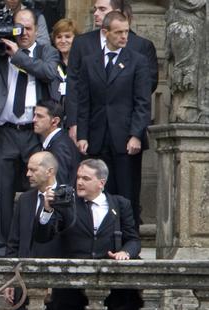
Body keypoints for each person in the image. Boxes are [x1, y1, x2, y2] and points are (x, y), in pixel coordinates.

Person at [36, 158, 140, 310]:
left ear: (101, 182)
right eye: (78, 177)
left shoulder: (119, 205)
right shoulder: (68, 204)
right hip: (69, 287)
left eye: (86, 178)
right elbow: (43, 236)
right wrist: (48, 209)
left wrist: (126, 252)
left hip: (104, 288)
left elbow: (133, 238)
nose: (79, 182)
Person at [0, 8, 59, 258]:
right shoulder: (2, 50)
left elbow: (48, 73)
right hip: (6, 132)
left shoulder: (47, 52)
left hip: (34, 133)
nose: (23, 33)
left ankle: (36, 245)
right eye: (18, 28)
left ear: (37, 30)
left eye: (28, 28)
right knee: (1, 195)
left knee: (41, 188)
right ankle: (1, 250)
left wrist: (19, 57)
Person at [76, 11, 151, 225]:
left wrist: (136, 135)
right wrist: (82, 135)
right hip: (98, 138)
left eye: (126, 32)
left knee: (127, 194)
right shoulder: (90, 62)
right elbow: (84, 102)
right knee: (100, 193)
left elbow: (142, 103)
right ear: (105, 33)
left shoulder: (138, 61)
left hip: (126, 140)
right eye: (118, 32)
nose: (124, 37)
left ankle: (129, 244)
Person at [4, 151, 62, 310]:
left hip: (54, 287)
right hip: (23, 284)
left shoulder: (66, 198)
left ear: (49, 171)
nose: (27, 174)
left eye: (32, 170)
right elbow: (14, 242)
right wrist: (10, 279)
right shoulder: (25, 200)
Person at [66, 0, 158, 143]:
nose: (96, 13)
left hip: (125, 127)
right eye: (95, 9)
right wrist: (74, 122)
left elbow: (147, 86)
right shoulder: (81, 43)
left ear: (117, 12)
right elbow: (73, 84)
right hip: (92, 127)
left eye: (102, 9)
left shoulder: (140, 45)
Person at [33, 99, 78, 186]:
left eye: (39, 116)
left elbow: (58, 184)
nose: (34, 119)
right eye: (34, 115)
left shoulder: (60, 147)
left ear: (55, 121)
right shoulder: (58, 141)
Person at [50, 18, 79, 112]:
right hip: (55, 116)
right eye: (59, 37)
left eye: (67, 36)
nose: (63, 41)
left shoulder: (83, 62)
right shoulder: (50, 61)